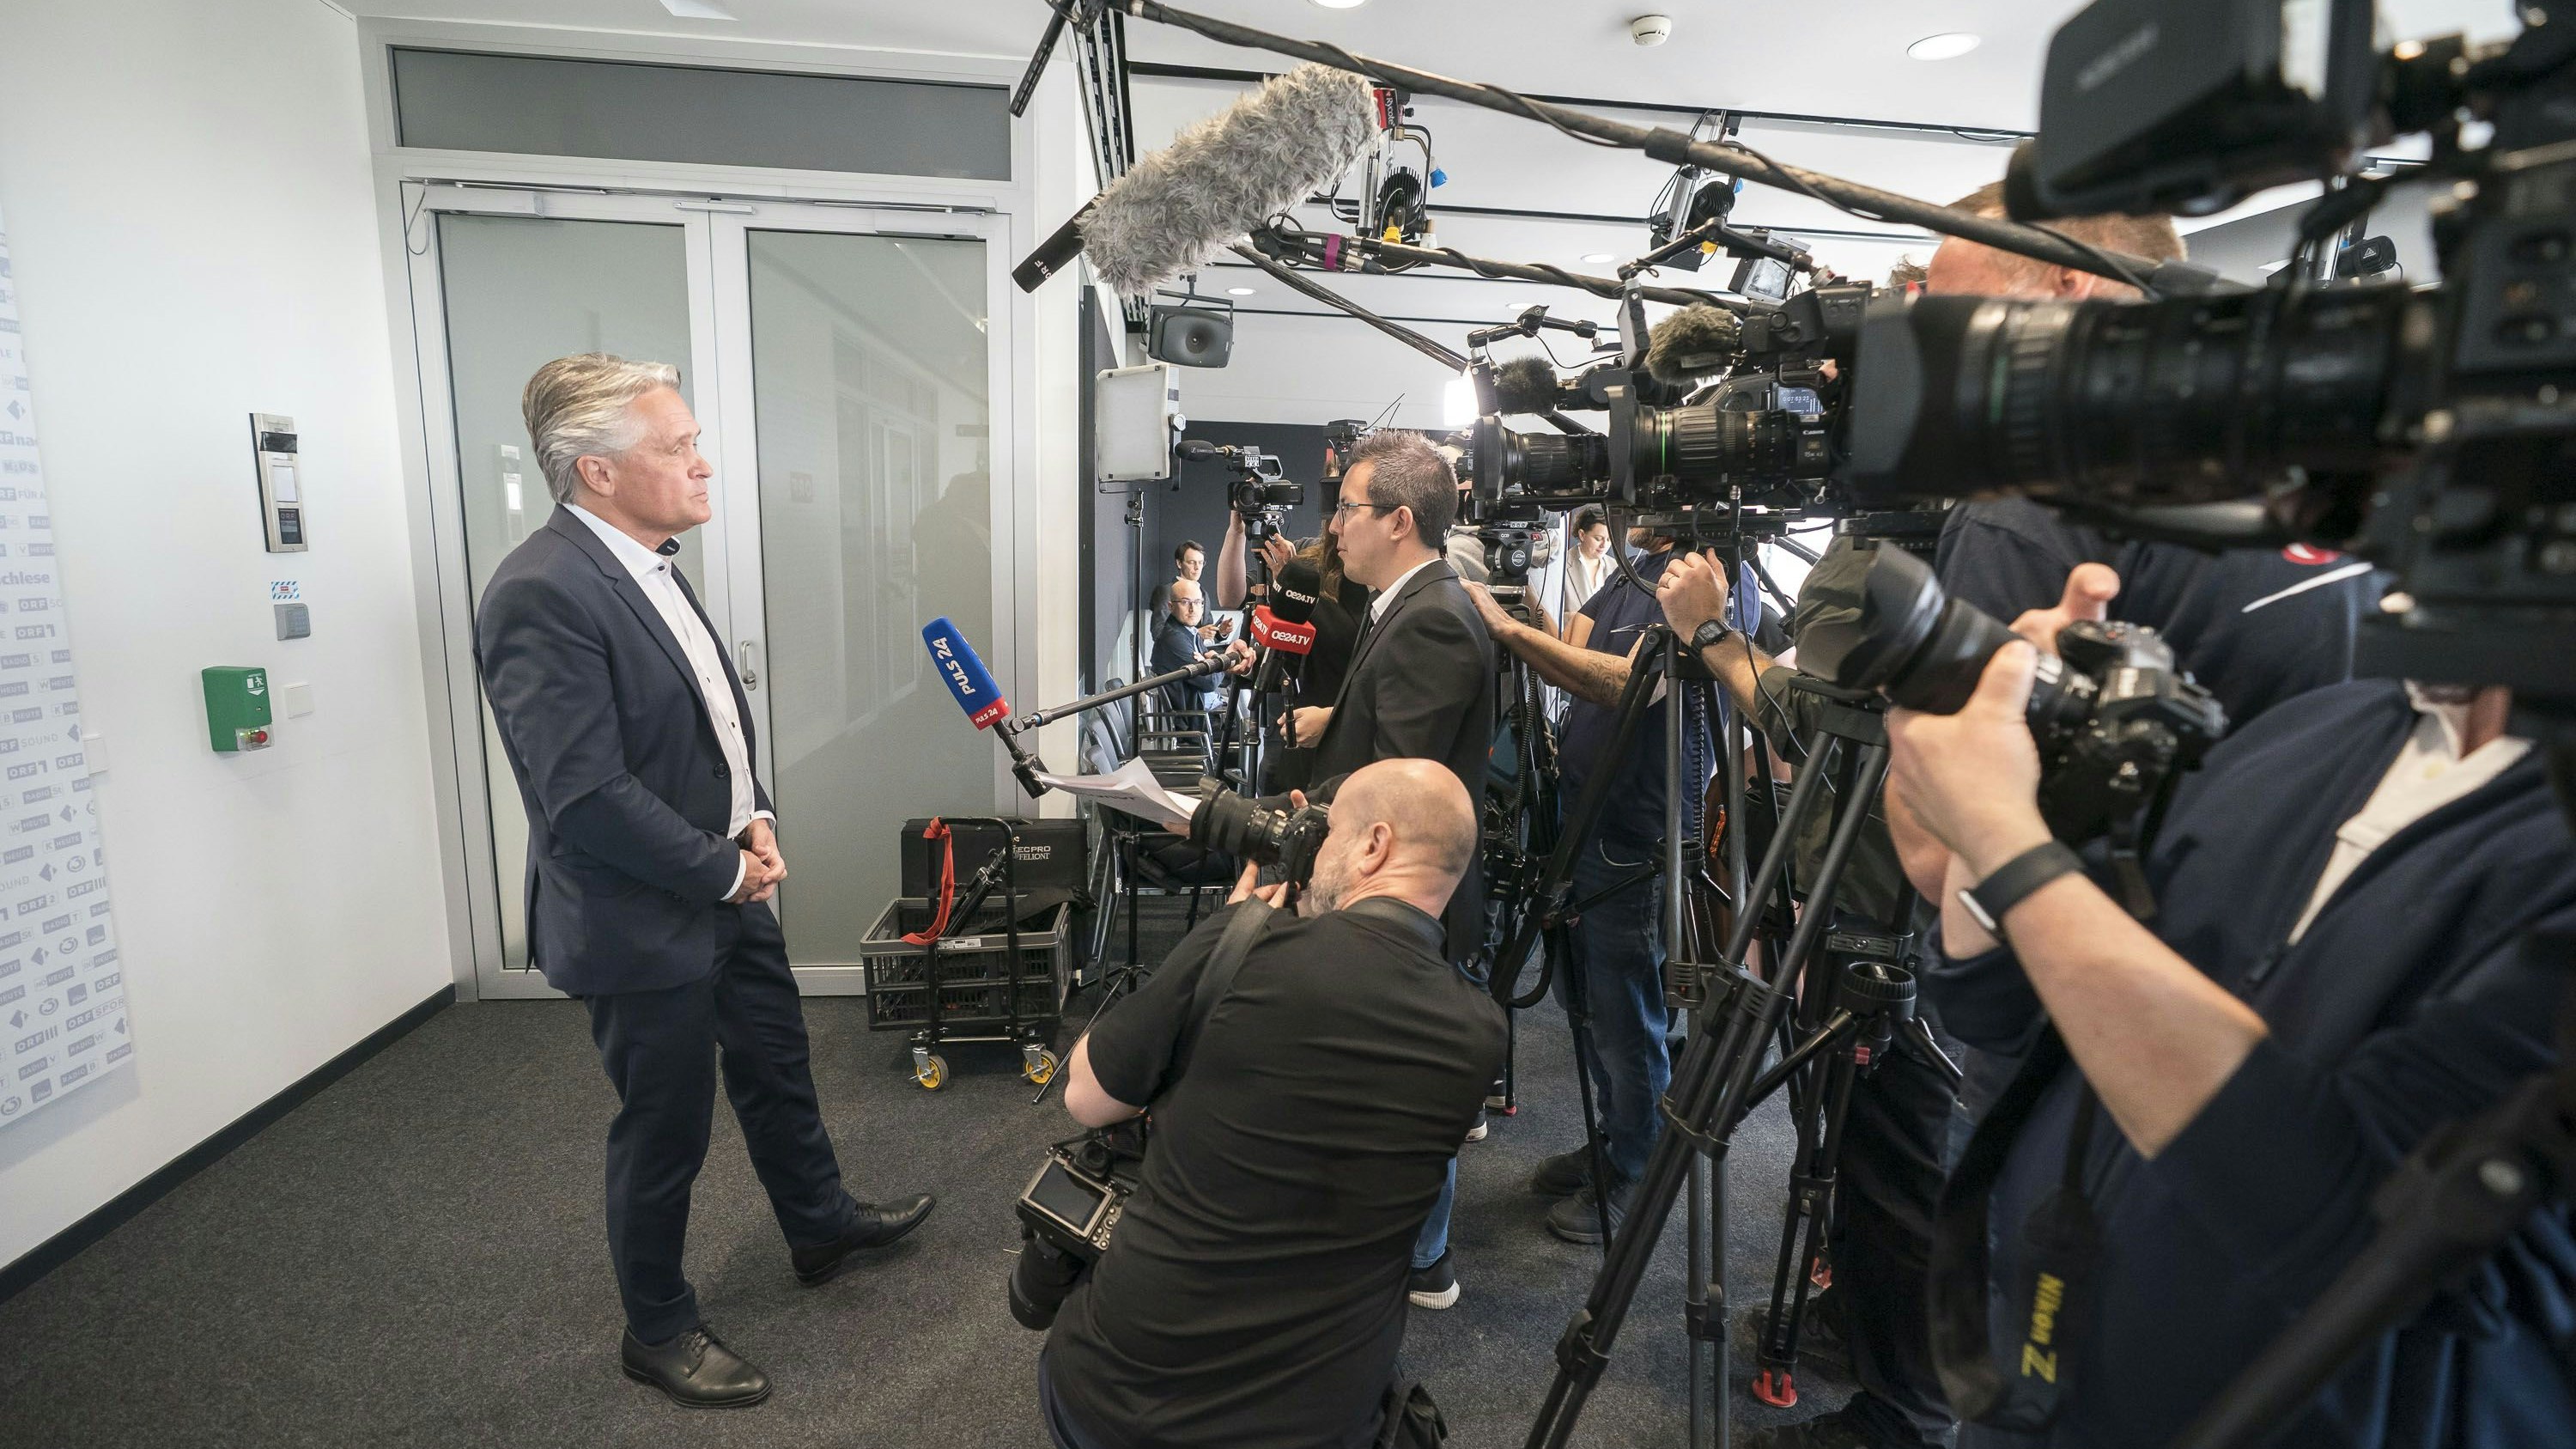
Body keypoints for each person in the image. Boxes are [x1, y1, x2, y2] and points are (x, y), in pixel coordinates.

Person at [1882, 573, 2576, 1449]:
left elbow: (2351, 1228)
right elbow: (1995, 1002)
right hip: (2047, 1379)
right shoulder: (2324, 725)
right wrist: (2030, 777)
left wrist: (2002, 837)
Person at [476, 354, 933, 1408]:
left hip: (726, 886)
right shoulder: (542, 591)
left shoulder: (649, 562)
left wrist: (756, 815)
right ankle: (658, 1327)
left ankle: (819, 1228)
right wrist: (728, 868)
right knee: (665, 1126)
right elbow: (584, 796)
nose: (703, 461)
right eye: (677, 445)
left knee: (777, 1067)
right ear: (594, 471)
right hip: (643, 918)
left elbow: (712, 727)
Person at [1039, 760, 1509, 1449]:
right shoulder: (1482, 1031)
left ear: (1373, 845)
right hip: (1319, 1426)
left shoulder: (1245, 942)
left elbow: (1085, 1096)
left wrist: (1226, 935)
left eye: (1329, 834)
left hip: (1117, 1399)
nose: (1313, 851)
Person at [1658, 539, 1959, 1446]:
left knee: (1900, 1188)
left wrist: (1713, 630)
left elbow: (1801, 711)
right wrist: (1712, 631)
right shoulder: (1850, 679)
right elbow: (1791, 705)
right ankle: (1851, 1328)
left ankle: (1908, 1414)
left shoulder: (1939, 698)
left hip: (1902, 970)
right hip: (1841, 943)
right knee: (1850, 1167)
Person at [1928, 181, 2377, 732]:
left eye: (1947, 311)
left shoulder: (2020, 508)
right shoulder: (2336, 447)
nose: (1928, 343)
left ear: (2068, 283)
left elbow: (1959, 780)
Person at [1466, 532, 1758, 1245]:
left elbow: (1624, 681)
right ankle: (1617, 1136)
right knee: (1584, 999)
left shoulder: (1708, 574)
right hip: (1582, 814)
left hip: (1638, 831)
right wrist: (1516, 606)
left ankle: (1640, 1166)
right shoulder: (1633, 571)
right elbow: (1576, 639)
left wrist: (1506, 630)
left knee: (1627, 1012)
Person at [1275, 427, 1496, 1311]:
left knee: (1404, 1085)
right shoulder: (1408, 603)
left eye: (1348, 509)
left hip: (1405, 908)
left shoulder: (1434, 614)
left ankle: (1421, 1260)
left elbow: (1403, 800)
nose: (1333, 529)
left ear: (1399, 520)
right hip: (1391, 893)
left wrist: (1320, 826)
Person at [1559, 508, 1614, 640]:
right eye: (1598, 538)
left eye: (1609, 540)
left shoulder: (1616, 568)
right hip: (1570, 642)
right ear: (1582, 535)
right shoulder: (1561, 565)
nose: (1604, 545)